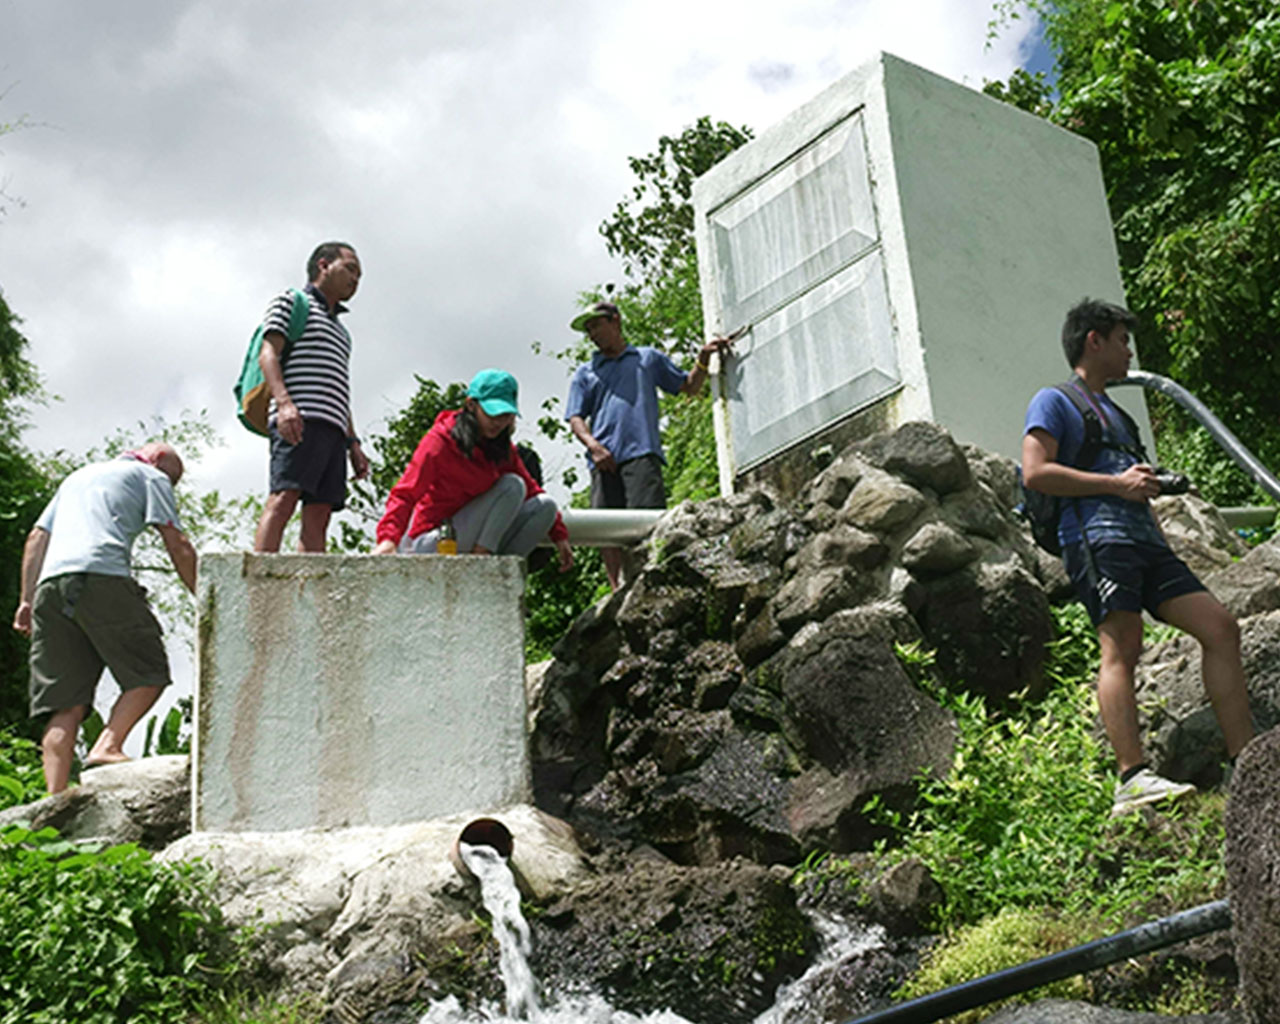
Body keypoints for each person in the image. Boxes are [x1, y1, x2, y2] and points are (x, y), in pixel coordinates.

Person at [1021, 298, 1254, 815]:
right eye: (1122, 339)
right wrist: (1115, 484)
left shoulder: (1120, 417)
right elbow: (1034, 471)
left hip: (1146, 544)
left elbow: (1134, 488)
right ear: (1093, 341)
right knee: (1122, 646)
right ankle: (1132, 778)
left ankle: (1248, 764)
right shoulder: (1054, 400)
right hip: (1096, 538)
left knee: (1220, 627)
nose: (1129, 350)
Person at [10, 444, 197, 794]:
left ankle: (55, 801)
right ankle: (107, 746)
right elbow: (176, 541)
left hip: (50, 589)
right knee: (148, 672)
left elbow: (37, 537)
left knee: (64, 704)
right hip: (101, 577)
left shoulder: (77, 478)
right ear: (156, 461)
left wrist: (26, 601)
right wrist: (204, 596)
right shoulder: (150, 475)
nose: (167, 486)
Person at [565, 300, 732, 588]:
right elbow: (575, 417)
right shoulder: (586, 372)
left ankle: (647, 582)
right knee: (605, 529)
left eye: (596, 325)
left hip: (641, 453)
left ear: (615, 321)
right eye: (588, 329)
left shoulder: (647, 359)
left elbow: (689, 386)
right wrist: (593, 446)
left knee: (646, 524)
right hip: (603, 459)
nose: (592, 333)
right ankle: (618, 589)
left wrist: (704, 358)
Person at [374, 369, 573, 570]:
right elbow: (405, 493)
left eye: (505, 416)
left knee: (545, 506)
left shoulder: (502, 449)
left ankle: (499, 575)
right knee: (512, 486)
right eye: (492, 413)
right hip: (436, 542)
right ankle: (481, 566)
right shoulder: (440, 441)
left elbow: (533, 490)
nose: (498, 422)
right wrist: (388, 540)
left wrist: (559, 535)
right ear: (471, 405)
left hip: (473, 544)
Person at [253, 241, 370, 553]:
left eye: (359, 275)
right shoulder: (292, 301)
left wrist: (353, 443)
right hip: (299, 418)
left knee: (320, 514)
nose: (355, 280)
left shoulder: (342, 332)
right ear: (323, 265)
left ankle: (310, 591)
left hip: (333, 428)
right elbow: (268, 354)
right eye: (350, 269)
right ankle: (259, 583)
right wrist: (284, 404)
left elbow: (339, 387)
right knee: (284, 497)